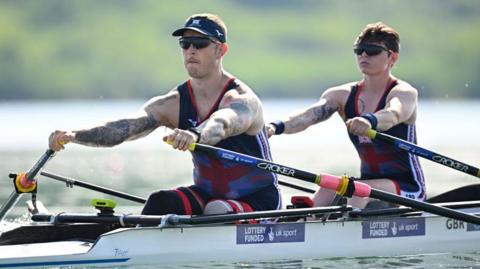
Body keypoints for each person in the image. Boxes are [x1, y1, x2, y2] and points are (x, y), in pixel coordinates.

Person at [49, 13, 281, 216]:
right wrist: (74, 135)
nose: (191, 50)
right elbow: (123, 129)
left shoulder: (242, 100)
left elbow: (222, 123)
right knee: (160, 202)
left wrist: (195, 135)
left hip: (259, 200)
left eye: (200, 43)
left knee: (218, 209)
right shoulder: (173, 103)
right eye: (185, 43)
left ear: (221, 49)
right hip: (208, 197)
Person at [266, 22, 425, 209]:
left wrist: (369, 120)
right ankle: (305, 225)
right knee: (327, 187)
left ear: (392, 57)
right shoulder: (341, 95)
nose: (364, 55)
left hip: (408, 188)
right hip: (367, 186)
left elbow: (393, 114)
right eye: (359, 50)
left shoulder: (404, 93)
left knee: (357, 189)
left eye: (372, 50)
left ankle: (346, 230)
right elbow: (306, 117)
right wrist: (274, 127)